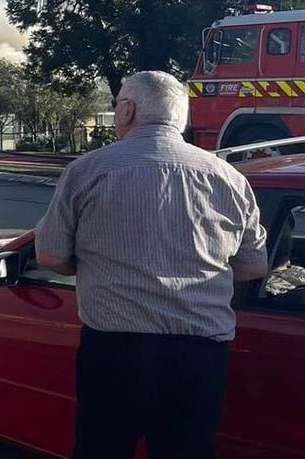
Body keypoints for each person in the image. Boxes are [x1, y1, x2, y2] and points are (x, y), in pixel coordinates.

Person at [36, 71, 269, 459]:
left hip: (114, 351)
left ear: (126, 111)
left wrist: (102, 266)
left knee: (102, 450)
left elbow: (50, 256)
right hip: (200, 355)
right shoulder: (229, 178)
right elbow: (254, 265)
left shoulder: (88, 171)